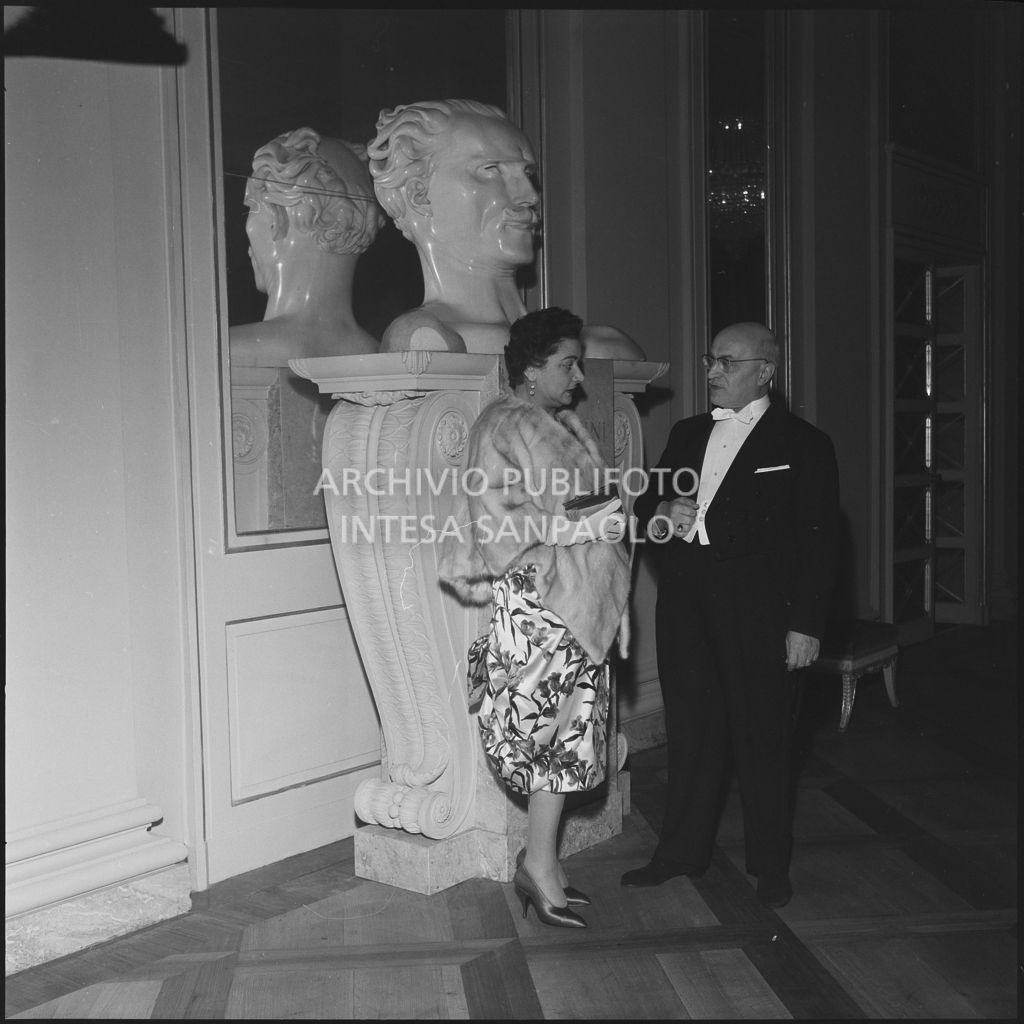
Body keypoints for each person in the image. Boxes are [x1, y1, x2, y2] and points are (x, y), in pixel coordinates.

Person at [621, 322, 839, 908]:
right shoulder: (690, 432)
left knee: (764, 740)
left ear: (765, 370)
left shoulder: (804, 444)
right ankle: (679, 852)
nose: (712, 372)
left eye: (727, 361)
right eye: (709, 360)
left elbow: (820, 543)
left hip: (764, 618)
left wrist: (807, 626)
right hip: (686, 609)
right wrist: (664, 507)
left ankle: (771, 865)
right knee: (691, 732)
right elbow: (646, 509)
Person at [439, 307, 632, 928]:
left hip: (570, 603)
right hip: (540, 606)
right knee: (553, 740)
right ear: (528, 369)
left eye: (577, 362)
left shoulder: (551, 423)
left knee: (570, 740)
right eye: (566, 363)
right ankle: (539, 868)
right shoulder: (500, 425)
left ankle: (542, 861)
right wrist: (585, 522)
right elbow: (497, 530)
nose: (577, 376)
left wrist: (600, 514)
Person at [367, 99, 540, 355]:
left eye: (527, 174)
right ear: (419, 195)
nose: (529, 196)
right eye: (492, 170)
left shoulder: (584, 344)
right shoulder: (424, 340)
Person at [230, 127, 386, 366]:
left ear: (276, 218)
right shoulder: (383, 362)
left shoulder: (215, 354)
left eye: (250, 207)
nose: (247, 227)